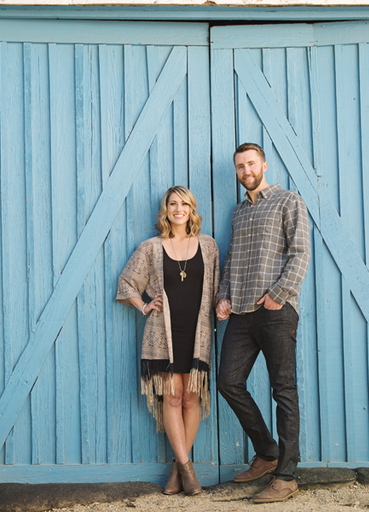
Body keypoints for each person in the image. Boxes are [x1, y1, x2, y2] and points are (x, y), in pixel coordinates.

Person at [216, 143, 311, 504]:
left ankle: (286, 476)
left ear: (264, 165)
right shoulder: (239, 212)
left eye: (250, 164)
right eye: (240, 166)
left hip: (275, 310)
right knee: (228, 382)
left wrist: (280, 293)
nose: (245, 171)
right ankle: (268, 452)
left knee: (283, 390)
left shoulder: (288, 201)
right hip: (240, 312)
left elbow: (300, 252)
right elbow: (231, 259)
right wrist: (223, 296)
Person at [116, 185, 220, 496]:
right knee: (172, 398)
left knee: (191, 399)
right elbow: (127, 282)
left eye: (184, 204)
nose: (178, 209)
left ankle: (178, 468)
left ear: (191, 209)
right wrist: (144, 305)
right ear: (166, 209)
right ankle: (188, 471)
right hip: (163, 336)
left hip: (198, 333)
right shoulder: (151, 247)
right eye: (172, 204)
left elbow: (217, 286)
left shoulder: (208, 246)